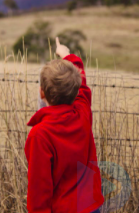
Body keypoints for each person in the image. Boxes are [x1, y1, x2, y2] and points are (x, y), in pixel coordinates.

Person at [25, 37, 104, 213]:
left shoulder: (40, 135)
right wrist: (67, 55)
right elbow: (82, 85)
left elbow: (39, 190)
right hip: (91, 206)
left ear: (42, 92)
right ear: (75, 92)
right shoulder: (82, 113)